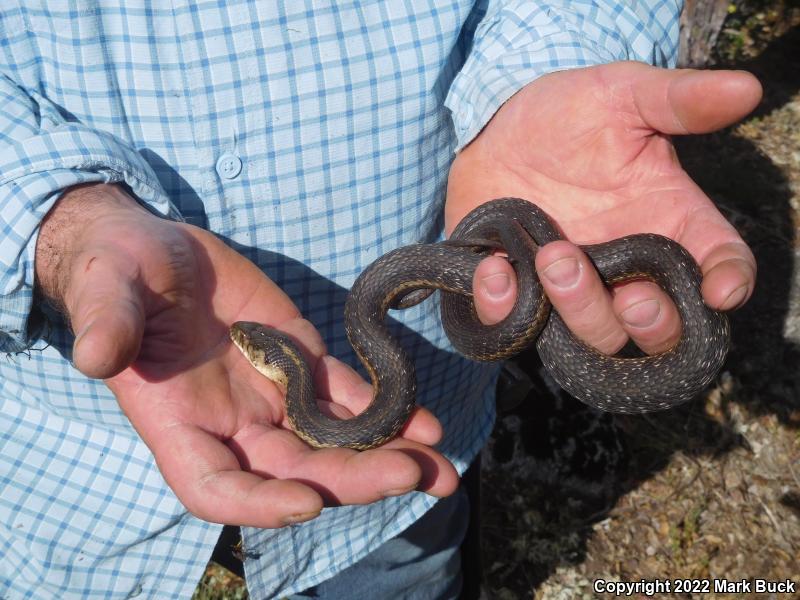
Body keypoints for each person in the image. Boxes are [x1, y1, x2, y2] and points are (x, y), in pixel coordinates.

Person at [0, 1, 760, 598]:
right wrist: (60, 216)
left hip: (411, 480)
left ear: (273, 361)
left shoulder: (356, 357)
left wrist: (542, 78)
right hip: (69, 469)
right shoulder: (338, 366)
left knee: (408, 568)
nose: (247, 345)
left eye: (250, 345)